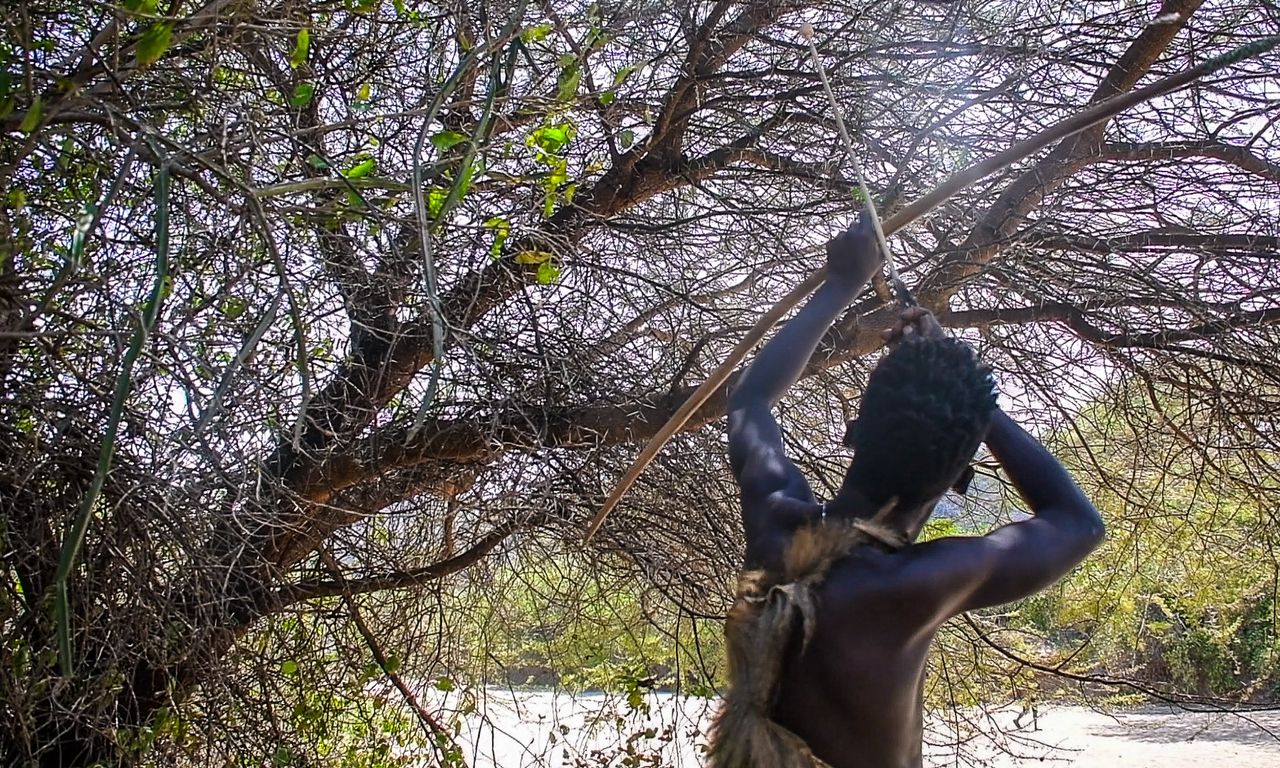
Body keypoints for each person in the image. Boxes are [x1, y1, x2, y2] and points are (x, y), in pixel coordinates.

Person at [708, 210, 1105, 768]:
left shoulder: (776, 522)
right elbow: (1078, 522)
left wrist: (841, 283)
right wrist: (978, 406)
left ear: (852, 432)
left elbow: (749, 402)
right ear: (961, 477)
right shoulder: (923, 582)